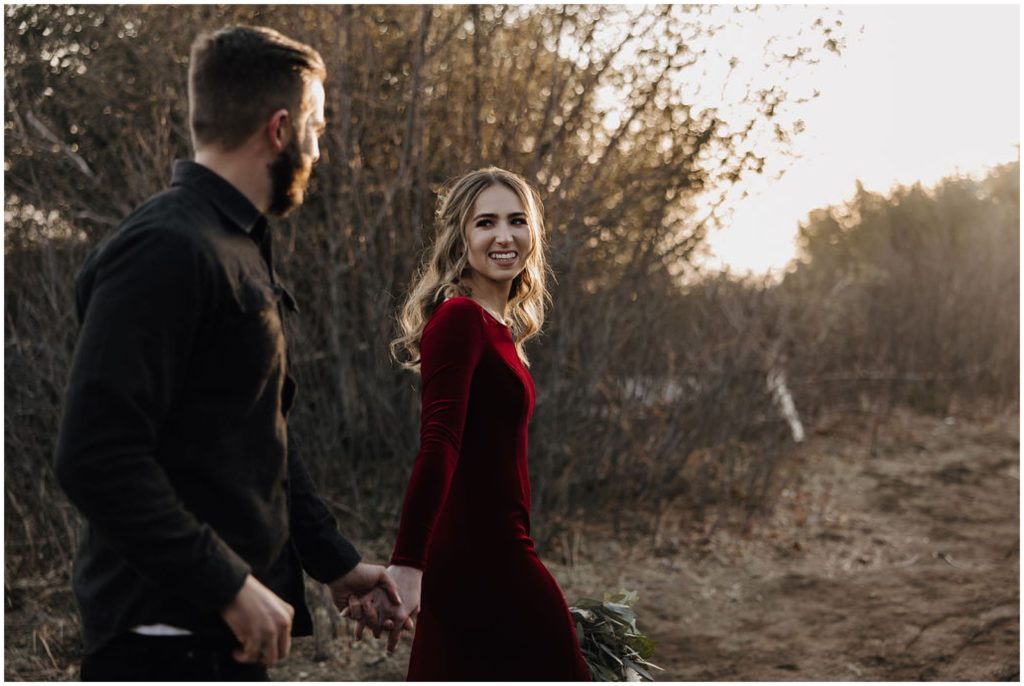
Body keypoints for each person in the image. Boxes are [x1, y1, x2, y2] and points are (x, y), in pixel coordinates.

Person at [53, 25, 405, 681]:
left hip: (224, 640)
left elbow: (254, 432)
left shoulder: (236, 244)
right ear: (280, 129)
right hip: (161, 642)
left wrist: (331, 560)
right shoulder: (164, 248)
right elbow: (94, 454)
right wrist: (226, 586)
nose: (319, 150)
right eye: (317, 129)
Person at [350, 167, 592, 680]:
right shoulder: (459, 319)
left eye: (517, 221)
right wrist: (409, 565)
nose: (504, 237)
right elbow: (439, 443)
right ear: (461, 235)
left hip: (495, 550)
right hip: (483, 558)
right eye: (486, 223)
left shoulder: (498, 326)